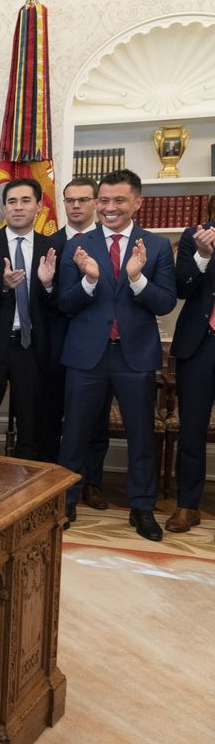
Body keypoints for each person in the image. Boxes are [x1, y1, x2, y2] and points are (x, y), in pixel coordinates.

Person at [57, 169, 176, 541]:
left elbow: (166, 302)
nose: (110, 208)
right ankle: (67, 500)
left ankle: (142, 507)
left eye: (119, 200)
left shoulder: (155, 247)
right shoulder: (78, 245)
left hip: (135, 356)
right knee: (74, 434)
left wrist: (138, 278)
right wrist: (89, 280)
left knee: (141, 436)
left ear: (136, 203)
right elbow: (65, 304)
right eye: (104, 200)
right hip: (86, 356)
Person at [0, 178, 57, 458]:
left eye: (26, 201)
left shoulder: (51, 247)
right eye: (12, 202)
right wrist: (4, 286)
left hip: (31, 347)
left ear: (39, 207)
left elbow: (60, 305)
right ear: (3, 208)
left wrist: (48, 285)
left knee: (31, 423)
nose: (18, 208)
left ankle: (23, 490)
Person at [44, 177, 111, 511]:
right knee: (58, 416)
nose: (76, 206)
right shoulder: (51, 243)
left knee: (96, 421)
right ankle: (59, 484)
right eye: (70, 200)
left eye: (83, 200)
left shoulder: (108, 243)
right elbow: (43, 300)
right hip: (59, 344)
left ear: (96, 203)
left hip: (98, 347)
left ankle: (92, 482)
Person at [166, 214, 215, 533]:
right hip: (200, 346)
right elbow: (180, 288)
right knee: (192, 430)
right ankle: (188, 506)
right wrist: (203, 256)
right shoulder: (195, 236)